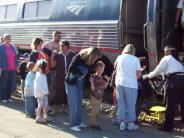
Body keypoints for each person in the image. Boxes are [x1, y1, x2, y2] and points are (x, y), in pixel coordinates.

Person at [143, 46, 184, 132]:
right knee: (182, 102)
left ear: (168, 52)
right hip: (182, 79)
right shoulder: (178, 61)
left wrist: (147, 76)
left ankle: (168, 127)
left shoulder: (166, 58)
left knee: (170, 104)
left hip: (173, 81)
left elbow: (157, 71)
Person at [65, 47, 102, 132]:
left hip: (79, 83)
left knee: (79, 103)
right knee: (74, 104)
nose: (94, 60)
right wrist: (82, 72)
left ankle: (78, 122)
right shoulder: (78, 57)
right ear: (91, 55)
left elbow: (90, 72)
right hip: (71, 82)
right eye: (95, 58)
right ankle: (73, 124)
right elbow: (70, 69)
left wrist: (92, 76)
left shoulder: (90, 61)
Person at [115, 44, 141, 131]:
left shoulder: (119, 57)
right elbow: (138, 75)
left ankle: (122, 123)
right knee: (131, 104)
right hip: (131, 85)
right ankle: (130, 124)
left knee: (121, 103)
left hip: (119, 83)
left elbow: (115, 70)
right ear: (133, 51)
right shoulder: (135, 59)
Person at [50, 40, 76, 114]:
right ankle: (55, 109)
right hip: (59, 76)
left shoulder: (73, 55)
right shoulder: (58, 55)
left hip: (69, 77)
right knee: (58, 92)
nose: (60, 47)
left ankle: (65, 108)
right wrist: (52, 56)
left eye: (62, 45)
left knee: (67, 92)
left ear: (67, 47)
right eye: (60, 45)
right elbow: (52, 66)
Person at [89, 61, 109, 130]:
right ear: (95, 69)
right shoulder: (94, 77)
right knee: (95, 111)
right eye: (98, 69)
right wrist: (91, 81)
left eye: (102, 69)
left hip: (100, 96)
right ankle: (93, 124)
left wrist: (108, 80)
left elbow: (104, 87)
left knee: (97, 111)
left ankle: (94, 123)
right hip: (94, 96)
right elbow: (93, 88)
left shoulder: (102, 78)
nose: (100, 71)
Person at [0, 34, 18, 102]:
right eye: (7, 39)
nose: (8, 40)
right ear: (4, 39)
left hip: (12, 68)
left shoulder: (12, 47)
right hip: (4, 68)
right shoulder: (1, 47)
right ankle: (3, 97)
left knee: (10, 82)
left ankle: (8, 97)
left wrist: (16, 66)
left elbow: (15, 57)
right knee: (4, 83)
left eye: (9, 39)